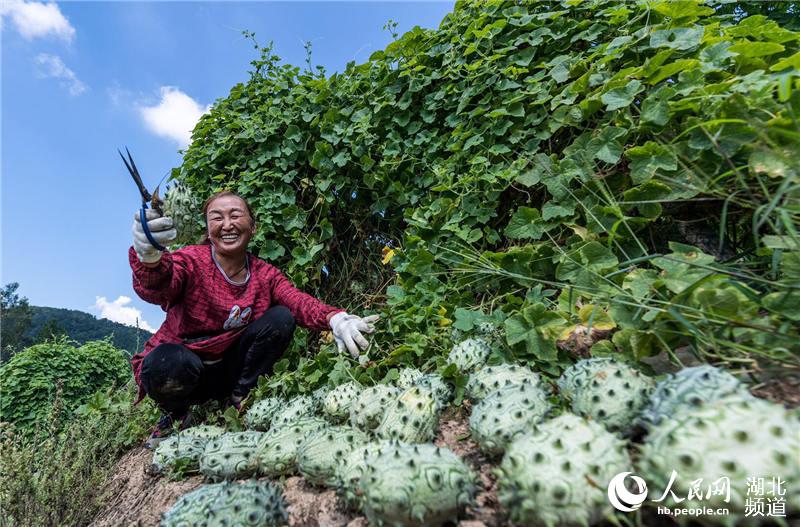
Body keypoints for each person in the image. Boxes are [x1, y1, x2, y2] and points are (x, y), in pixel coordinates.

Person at [129, 190, 378, 447]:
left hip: (231, 368)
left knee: (281, 317)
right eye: (216, 218)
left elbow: (296, 300)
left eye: (235, 215)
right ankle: (177, 413)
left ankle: (238, 397)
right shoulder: (191, 260)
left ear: (253, 226)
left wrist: (334, 318)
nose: (227, 225)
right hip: (190, 367)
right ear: (207, 228)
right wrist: (149, 259)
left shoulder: (264, 274)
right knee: (162, 362)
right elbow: (160, 286)